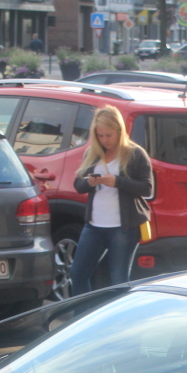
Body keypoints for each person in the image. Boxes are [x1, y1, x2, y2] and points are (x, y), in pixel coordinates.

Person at [70, 106, 154, 294]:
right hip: (94, 225)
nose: (104, 140)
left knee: (118, 281)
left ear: (119, 131)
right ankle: (84, 317)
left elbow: (147, 189)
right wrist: (90, 182)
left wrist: (118, 181)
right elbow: (78, 185)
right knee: (77, 274)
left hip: (123, 227)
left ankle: (119, 323)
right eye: (100, 135)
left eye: (109, 135)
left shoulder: (135, 154)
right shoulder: (92, 153)